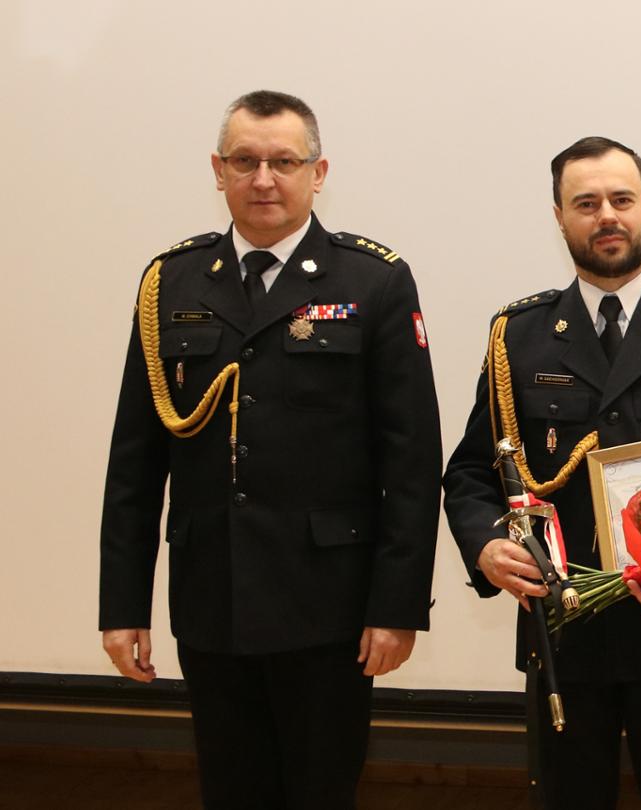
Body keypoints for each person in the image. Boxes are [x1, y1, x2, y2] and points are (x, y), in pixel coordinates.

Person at [98, 89, 441, 808]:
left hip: (329, 605)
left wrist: (397, 606)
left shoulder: (374, 281)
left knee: (320, 790)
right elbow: (135, 460)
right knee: (230, 790)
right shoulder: (170, 282)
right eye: (245, 161)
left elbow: (410, 462)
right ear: (217, 170)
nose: (263, 179)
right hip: (212, 597)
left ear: (318, 173)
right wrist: (123, 604)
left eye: (284, 162)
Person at [442, 136, 641, 810]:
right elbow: (472, 471)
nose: (606, 215)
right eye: (586, 203)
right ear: (559, 217)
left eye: (621, 199)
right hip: (566, 630)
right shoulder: (518, 335)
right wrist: (488, 548)